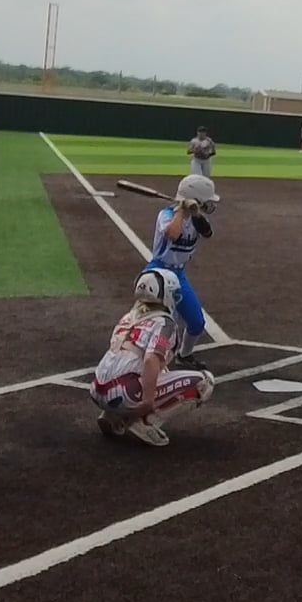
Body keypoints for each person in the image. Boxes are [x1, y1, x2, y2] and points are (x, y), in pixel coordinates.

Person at [91, 268, 218, 446]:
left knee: (158, 369)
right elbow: (151, 359)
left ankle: (113, 415)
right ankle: (145, 421)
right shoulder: (164, 323)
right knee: (204, 382)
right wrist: (148, 401)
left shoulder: (128, 317)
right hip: (125, 392)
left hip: (97, 389)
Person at [149, 173, 218, 372]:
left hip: (178, 275)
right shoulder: (166, 214)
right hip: (158, 275)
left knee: (196, 322)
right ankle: (149, 362)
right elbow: (172, 234)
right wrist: (181, 210)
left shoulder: (197, 219)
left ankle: (184, 355)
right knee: (162, 325)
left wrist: (195, 213)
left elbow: (208, 233)